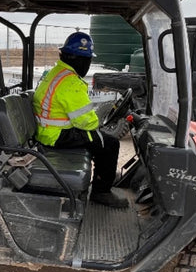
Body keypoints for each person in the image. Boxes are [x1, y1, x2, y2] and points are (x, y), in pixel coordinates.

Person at [32, 32, 128, 209]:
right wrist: (102, 120)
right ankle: (101, 191)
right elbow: (87, 122)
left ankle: (104, 173)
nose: (88, 64)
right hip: (57, 136)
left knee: (99, 140)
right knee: (110, 143)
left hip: (47, 131)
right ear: (80, 60)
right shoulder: (70, 82)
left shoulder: (56, 72)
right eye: (88, 60)